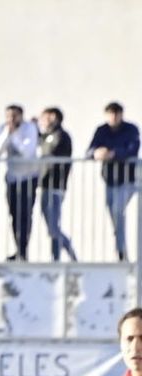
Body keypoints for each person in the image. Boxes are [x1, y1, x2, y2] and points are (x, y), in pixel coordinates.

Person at [87, 102, 139, 261]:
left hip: (128, 180)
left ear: (121, 115)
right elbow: (89, 150)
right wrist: (96, 153)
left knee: (117, 210)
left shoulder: (131, 129)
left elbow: (132, 149)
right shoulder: (102, 130)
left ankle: (121, 252)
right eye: (111, 114)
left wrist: (113, 154)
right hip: (110, 180)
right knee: (115, 216)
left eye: (116, 114)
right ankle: (121, 249)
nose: (114, 117)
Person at [0, 105, 40, 261]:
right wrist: (6, 133)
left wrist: (15, 136)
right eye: (8, 116)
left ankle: (23, 251)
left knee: (25, 215)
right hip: (12, 179)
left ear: (21, 116)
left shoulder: (29, 128)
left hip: (28, 178)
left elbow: (27, 153)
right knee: (14, 215)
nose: (11, 119)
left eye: (15, 116)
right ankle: (18, 249)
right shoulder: (2, 129)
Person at [39, 107, 77, 262]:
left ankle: (69, 254)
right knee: (52, 227)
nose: (43, 121)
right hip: (46, 186)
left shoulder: (61, 136)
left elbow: (51, 155)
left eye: (45, 117)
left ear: (53, 117)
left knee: (54, 227)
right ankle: (55, 257)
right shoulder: (48, 136)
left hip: (55, 187)